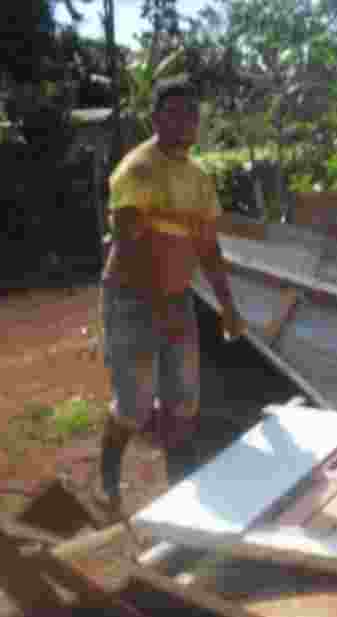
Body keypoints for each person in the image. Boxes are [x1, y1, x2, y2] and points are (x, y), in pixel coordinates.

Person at [94, 75, 247, 518]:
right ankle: (107, 481)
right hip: (132, 301)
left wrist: (228, 307)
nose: (186, 122)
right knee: (136, 406)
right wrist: (158, 305)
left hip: (176, 300)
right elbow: (127, 243)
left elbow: (207, 248)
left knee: (184, 404)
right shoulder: (136, 170)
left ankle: (180, 495)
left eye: (192, 115)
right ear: (157, 117)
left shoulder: (198, 178)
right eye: (176, 113)